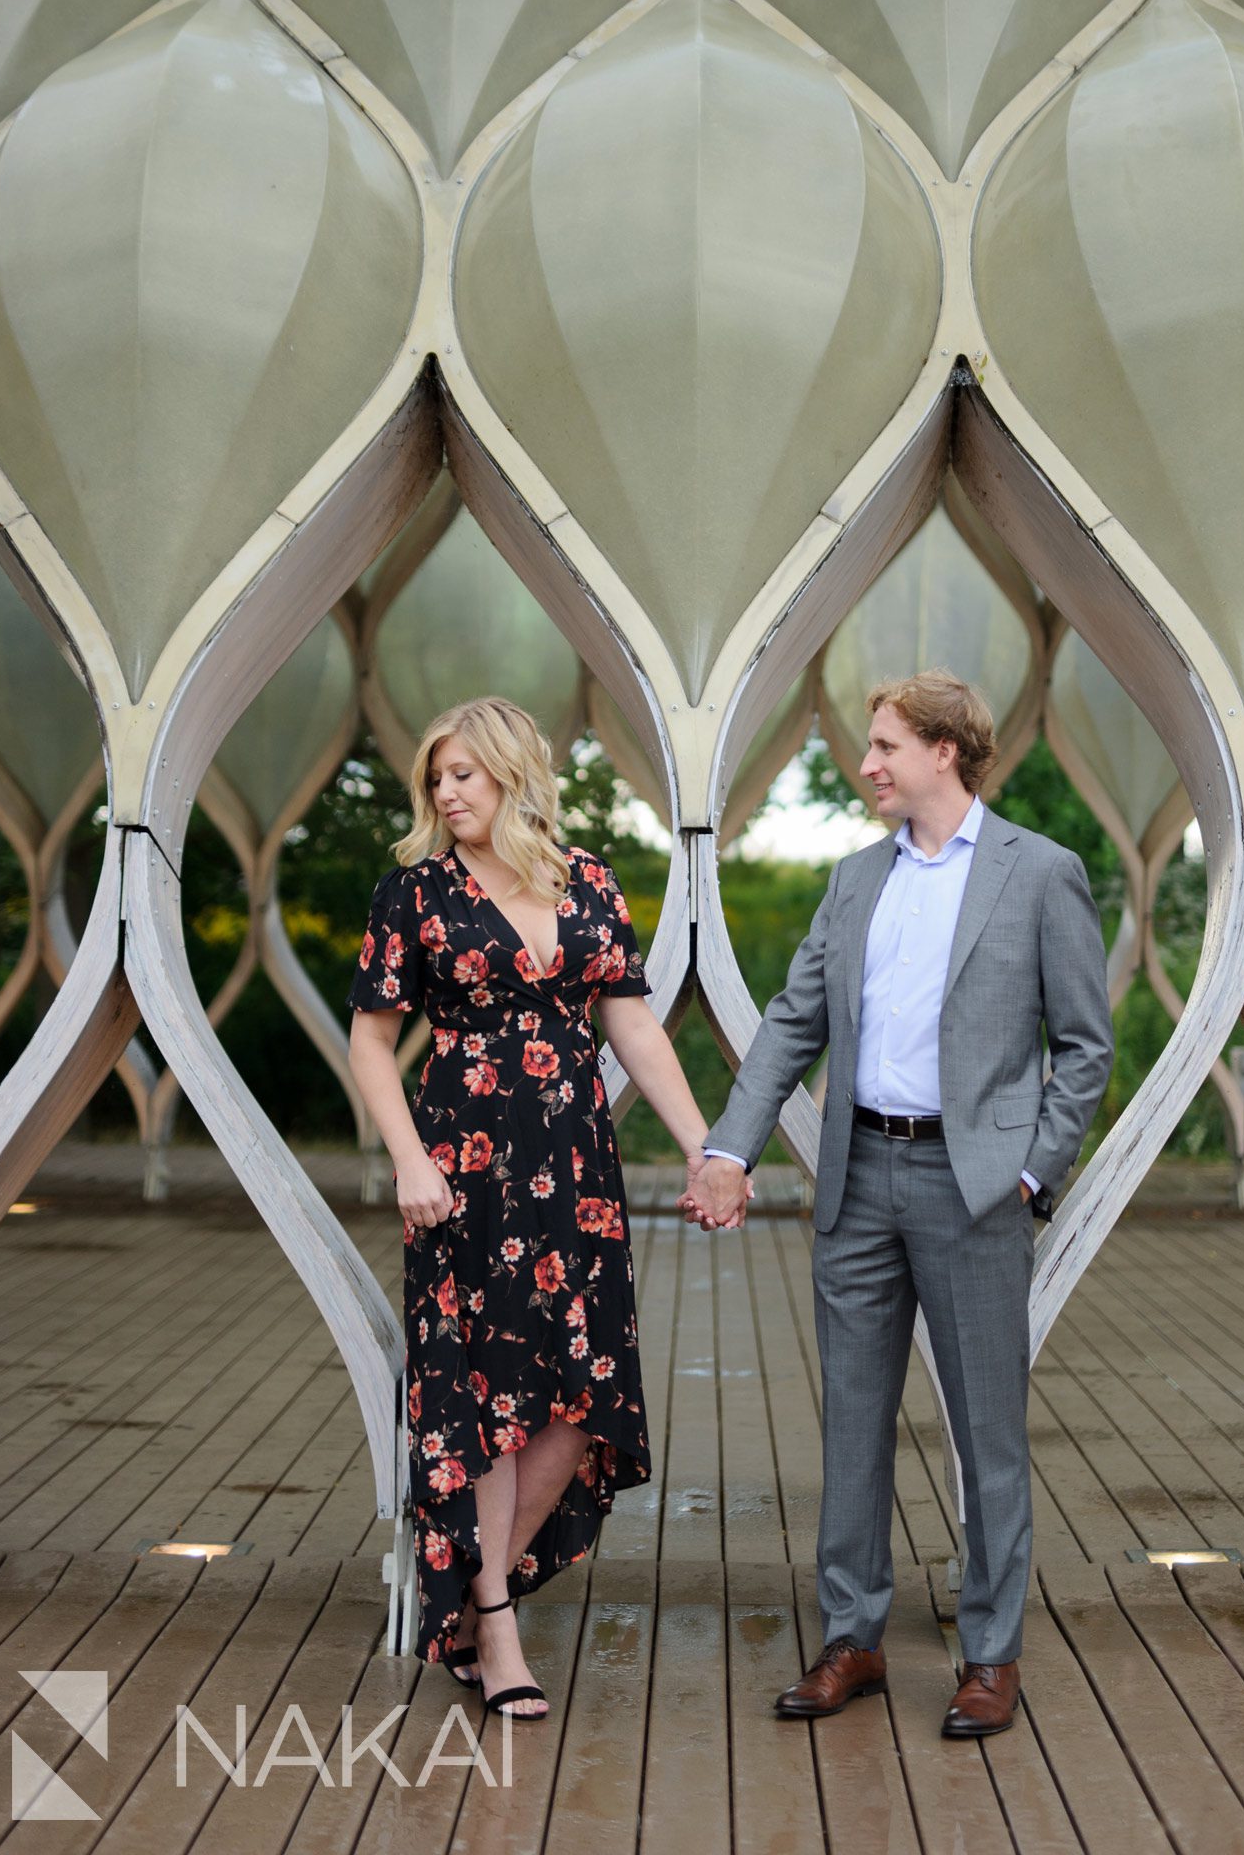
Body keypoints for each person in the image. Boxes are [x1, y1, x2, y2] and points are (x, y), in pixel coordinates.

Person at [682, 667, 1113, 1737]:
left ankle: (989, 1653)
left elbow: (1085, 1046)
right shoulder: (851, 880)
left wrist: (1027, 1171)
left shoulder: (1039, 872)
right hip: (857, 1178)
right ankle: (851, 1637)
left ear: (943, 751)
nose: (865, 764)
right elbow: (790, 1021)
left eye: (882, 745)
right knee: (853, 1427)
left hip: (974, 1191)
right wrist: (729, 1143)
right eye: (868, 746)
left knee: (986, 1436)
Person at [348, 695, 723, 1720]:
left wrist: (707, 1149)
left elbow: (635, 1030)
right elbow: (372, 1042)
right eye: (435, 777)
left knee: (575, 1403)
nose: (444, 792)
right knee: (489, 1406)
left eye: (462, 773)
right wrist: (409, 1158)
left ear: (513, 773)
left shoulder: (587, 879)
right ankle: (500, 1633)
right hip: (461, 1170)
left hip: (574, 1170)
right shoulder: (413, 892)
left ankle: (477, 1593)